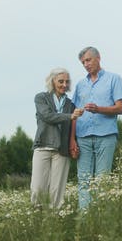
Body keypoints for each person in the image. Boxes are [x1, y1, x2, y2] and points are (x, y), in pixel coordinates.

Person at [71, 46, 122, 209]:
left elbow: (120, 108)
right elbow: (74, 114)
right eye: (83, 62)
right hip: (82, 137)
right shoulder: (80, 85)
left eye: (88, 60)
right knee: (84, 180)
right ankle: (85, 221)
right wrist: (72, 140)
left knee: (102, 180)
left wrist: (99, 109)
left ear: (98, 58)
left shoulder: (114, 79)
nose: (86, 64)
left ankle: (100, 220)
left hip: (106, 135)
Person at [31, 68, 83, 209]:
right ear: (52, 81)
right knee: (37, 188)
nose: (64, 85)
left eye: (67, 82)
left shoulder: (70, 104)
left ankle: (54, 220)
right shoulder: (41, 98)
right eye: (61, 81)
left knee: (57, 191)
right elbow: (47, 116)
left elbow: (73, 126)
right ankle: (37, 217)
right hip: (43, 146)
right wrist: (70, 116)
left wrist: (74, 143)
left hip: (62, 150)